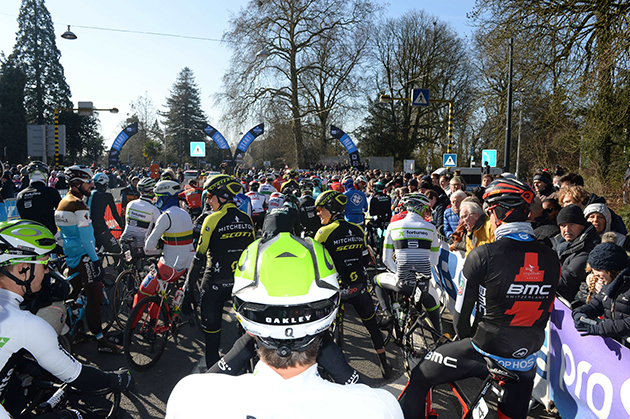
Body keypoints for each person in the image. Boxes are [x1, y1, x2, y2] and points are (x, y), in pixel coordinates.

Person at [166, 233, 403, 419]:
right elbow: (368, 398)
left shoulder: (189, 396)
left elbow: (205, 387)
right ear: (329, 310)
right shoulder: (379, 407)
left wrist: (239, 351)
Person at [401, 177, 561, 419]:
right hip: (526, 359)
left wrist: (463, 339)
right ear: (527, 214)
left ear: (495, 213)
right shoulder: (552, 257)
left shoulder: (482, 254)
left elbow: (461, 315)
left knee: (421, 376)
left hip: (485, 349)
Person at [0, 220, 133, 419]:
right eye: (44, 263)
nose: (47, 271)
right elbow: (76, 374)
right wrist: (115, 380)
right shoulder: (24, 324)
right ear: (22, 269)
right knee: (75, 416)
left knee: (15, 392)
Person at [314, 190, 391, 378]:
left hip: (336, 290)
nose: (317, 213)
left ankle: (324, 369)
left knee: (320, 330)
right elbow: (366, 259)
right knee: (372, 327)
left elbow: (317, 264)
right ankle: (385, 366)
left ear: (331, 210)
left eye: (319, 209)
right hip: (359, 288)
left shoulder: (323, 232)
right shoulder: (358, 229)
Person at [184, 174, 254, 368]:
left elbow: (199, 258)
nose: (207, 201)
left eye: (209, 196)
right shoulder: (247, 219)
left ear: (221, 196)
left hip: (214, 283)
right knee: (246, 339)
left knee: (212, 343)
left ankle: (215, 380)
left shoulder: (211, 219)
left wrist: (190, 290)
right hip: (241, 285)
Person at [55, 166, 120, 354]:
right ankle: (101, 341)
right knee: (94, 299)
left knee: (73, 294)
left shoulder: (62, 203)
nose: (91, 184)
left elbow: (62, 234)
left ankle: (76, 331)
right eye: (88, 182)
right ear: (76, 183)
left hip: (71, 255)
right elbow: (86, 238)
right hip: (85, 256)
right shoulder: (79, 205)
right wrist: (95, 261)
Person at [373, 193, 441, 334]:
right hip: (422, 287)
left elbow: (386, 260)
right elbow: (434, 261)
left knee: (375, 280)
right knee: (434, 306)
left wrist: (401, 272)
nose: (426, 213)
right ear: (419, 208)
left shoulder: (394, 226)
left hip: (401, 283)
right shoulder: (431, 228)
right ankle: (438, 336)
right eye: (426, 209)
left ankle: (387, 315)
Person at [133, 180, 195, 307]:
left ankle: (139, 326)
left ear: (166, 197)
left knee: (142, 293)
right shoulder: (186, 214)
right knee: (160, 293)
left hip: (169, 267)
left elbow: (148, 246)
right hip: (185, 266)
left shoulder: (166, 216)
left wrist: (159, 245)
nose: (156, 200)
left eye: (158, 197)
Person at [573, 242, 630, 341]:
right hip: (615, 344)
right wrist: (580, 312)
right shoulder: (610, 282)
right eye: (593, 269)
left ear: (612, 269)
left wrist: (601, 328)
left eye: (599, 269)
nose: (595, 274)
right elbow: (598, 303)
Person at [554, 204, 600, 306]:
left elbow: (568, 280)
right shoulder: (558, 244)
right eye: (563, 225)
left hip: (576, 304)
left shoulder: (589, 248)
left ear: (582, 226)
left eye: (572, 225)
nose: (567, 229)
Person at [16, 161, 61, 237]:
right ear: (46, 176)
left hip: (28, 235)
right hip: (49, 233)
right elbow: (61, 212)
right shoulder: (51, 192)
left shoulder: (20, 195)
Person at [120, 177, 161, 256]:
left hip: (124, 241)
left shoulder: (130, 204)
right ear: (152, 191)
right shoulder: (153, 209)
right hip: (142, 246)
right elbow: (160, 228)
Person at [89, 173, 124, 255]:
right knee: (117, 251)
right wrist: (122, 226)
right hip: (101, 227)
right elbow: (114, 214)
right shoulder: (107, 195)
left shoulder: (88, 194)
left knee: (95, 252)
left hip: (89, 228)